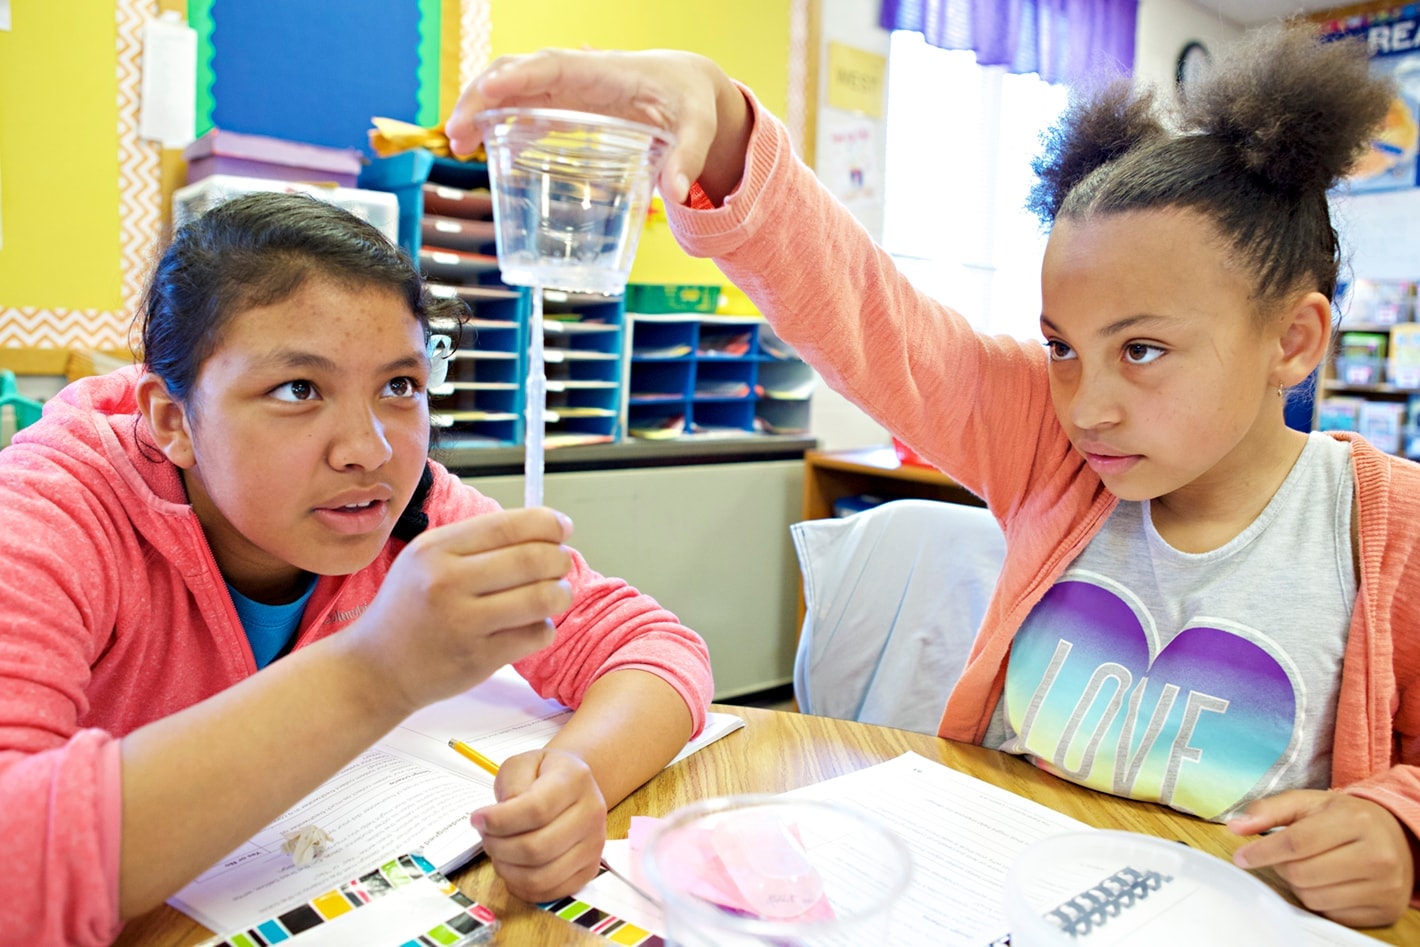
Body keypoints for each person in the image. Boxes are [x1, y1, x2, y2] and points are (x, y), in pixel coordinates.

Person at [446, 24, 1420, 928]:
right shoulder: (1049, 441)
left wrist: (1394, 826)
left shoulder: (1389, 526)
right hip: (996, 894)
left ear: (1292, 339)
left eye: (1144, 351)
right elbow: (874, 319)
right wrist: (725, 132)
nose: (1086, 405)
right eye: (1062, 348)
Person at [0, 191, 712, 946]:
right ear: (174, 419)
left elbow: (651, 645)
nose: (369, 450)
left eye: (399, 386)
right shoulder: (55, 507)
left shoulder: (408, 505)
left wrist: (576, 775)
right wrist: (375, 671)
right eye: (298, 389)